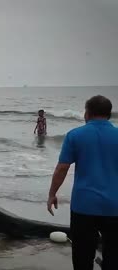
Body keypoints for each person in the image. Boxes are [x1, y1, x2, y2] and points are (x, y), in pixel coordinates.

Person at [47, 95, 118, 270]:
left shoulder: (75, 135)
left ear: (87, 112)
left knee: (82, 256)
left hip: (84, 206)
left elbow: (62, 168)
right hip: (115, 206)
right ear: (109, 114)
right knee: (114, 256)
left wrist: (52, 194)